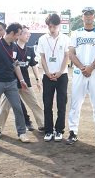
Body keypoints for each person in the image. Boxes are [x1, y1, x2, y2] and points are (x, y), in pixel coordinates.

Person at [0, 25, 45, 140]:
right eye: (25, 33)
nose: (28, 35)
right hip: (11, 83)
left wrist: (37, 80)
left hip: (25, 83)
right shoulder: (11, 47)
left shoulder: (29, 50)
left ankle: (42, 125)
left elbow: (34, 65)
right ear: (19, 35)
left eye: (28, 33)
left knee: (35, 105)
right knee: (4, 108)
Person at [66, 7, 95, 146]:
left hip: (94, 71)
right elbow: (71, 53)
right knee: (75, 103)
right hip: (80, 71)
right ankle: (73, 132)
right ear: (81, 17)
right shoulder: (76, 33)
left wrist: (91, 67)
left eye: (90, 14)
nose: (88, 17)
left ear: (94, 16)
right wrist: (82, 67)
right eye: (86, 15)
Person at [37, 14, 70, 142]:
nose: (52, 29)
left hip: (62, 76)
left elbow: (67, 56)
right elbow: (43, 57)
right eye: (50, 26)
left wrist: (60, 72)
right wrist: (47, 72)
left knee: (61, 104)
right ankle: (49, 130)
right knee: (47, 104)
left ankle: (59, 130)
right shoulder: (42, 39)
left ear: (59, 25)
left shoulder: (65, 38)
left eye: (54, 26)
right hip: (47, 76)